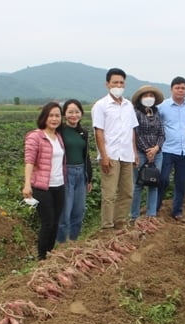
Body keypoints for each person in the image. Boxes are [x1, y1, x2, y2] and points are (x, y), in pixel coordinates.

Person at [91, 68, 139, 229]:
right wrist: (104, 155)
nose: (118, 85)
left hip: (126, 154)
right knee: (109, 194)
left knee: (127, 192)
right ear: (107, 84)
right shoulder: (101, 105)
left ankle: (120, 223)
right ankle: (107, 226)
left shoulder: (128, 105)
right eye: (115, 82)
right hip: (110, 155)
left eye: (121, 83)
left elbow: (131, 130)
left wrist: (134, 152)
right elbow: (99, 132)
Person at [22, 101, 66, 260]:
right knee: (47, 223)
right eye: (51, 115)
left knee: (55, 223)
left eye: (57, 115)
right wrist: (27, 185)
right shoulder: (35, 136)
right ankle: (41, 257)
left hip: (59, 185)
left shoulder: (58, 137)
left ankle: (49, 253)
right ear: (44, 117)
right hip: (42, 187)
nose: (55, 119)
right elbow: (29, 161)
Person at [157, 76, 185, 223]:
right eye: (177, 87)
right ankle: (154, 209)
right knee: (163, 180)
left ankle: (177, 211)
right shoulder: (163, 106)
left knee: (181, 182)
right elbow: (156, 124)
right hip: (167, 149)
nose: (180, 90)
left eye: (183, 88)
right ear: (171, 89)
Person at [56, 99, 93, 244]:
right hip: (66, 173)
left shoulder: (83, 133)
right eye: (70, 112)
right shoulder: (60, 132)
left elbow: (86, 156)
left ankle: (73, 241)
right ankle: (61, 243)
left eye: (77, 112)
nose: (74, 115)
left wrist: (89, 178)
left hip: (81, 173)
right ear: (64, 114)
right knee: (65, 212)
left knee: (79, 211)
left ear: (81, 114)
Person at [130, 85, 165, 221]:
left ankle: (151, 215)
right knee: (138, 184)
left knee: (153, 183)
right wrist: (147, 151)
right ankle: (134, 216)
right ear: (140, 98)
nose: (149, 98)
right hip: (140, 153)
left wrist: (156, 148)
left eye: (151, 95)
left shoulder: (156, 112)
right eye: (146, 95)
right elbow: (136, 134)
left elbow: (162, 133)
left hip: (157, 154)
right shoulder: (136, 112)